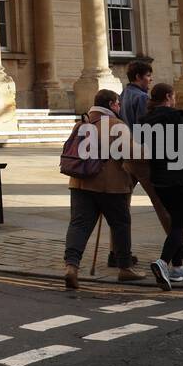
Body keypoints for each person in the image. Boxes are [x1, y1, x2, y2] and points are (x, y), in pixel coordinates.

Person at [63, 89, 145, 290]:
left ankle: (71, 267)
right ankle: (124, 268)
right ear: (110, 104)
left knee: (79, 225)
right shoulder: (116, 125)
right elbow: (133, 154)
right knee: (120, 224)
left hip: (80, 183)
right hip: (111, 186)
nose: (119, 107)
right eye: (117, 104)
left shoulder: (81, 124)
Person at [142, 82, 183, 290]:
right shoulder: (178, 119)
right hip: (178, 179)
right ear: (168, 97)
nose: (175, 99)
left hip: (159, 179)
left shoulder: (146, 121)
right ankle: (162, 263)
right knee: (179, 226)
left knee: (174, 225)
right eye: (174, 96)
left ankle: (177, 267)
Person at [105, 57, 154, 267]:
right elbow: (146, 127)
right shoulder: (142, 98)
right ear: (138, 77)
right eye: (148, 76)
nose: (150, 80)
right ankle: (177, 250)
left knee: (121, 205)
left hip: (125, 153)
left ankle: (115, 252)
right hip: (140, 155)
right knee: (162, 203)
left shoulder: (122, 95)